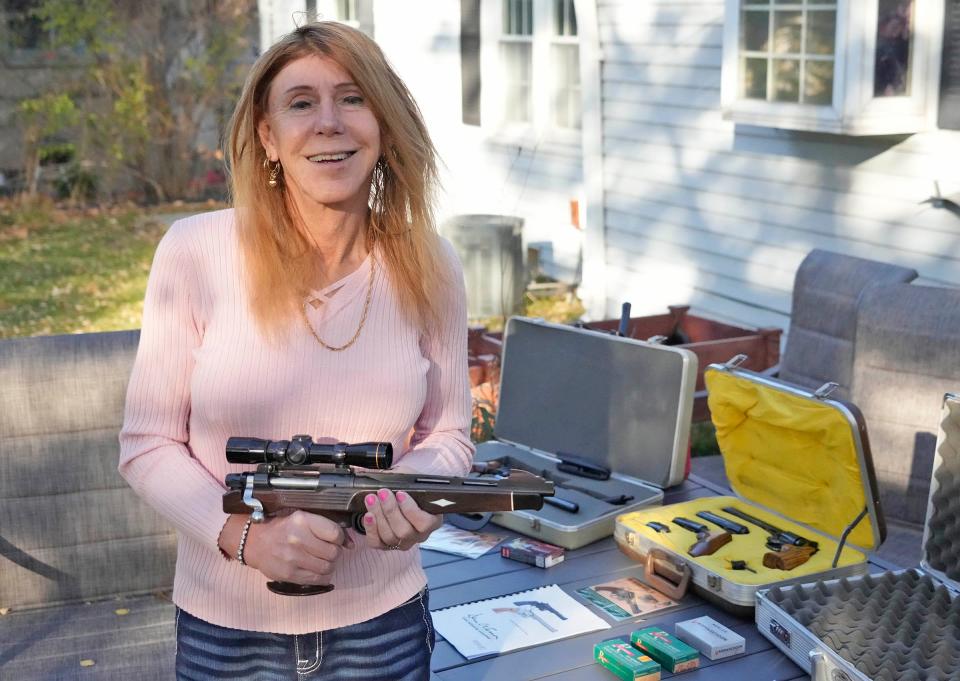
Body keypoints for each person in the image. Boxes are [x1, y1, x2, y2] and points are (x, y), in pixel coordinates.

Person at [119, 21, 474, 681]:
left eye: (354, 98)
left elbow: (449, 432)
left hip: (382, 628)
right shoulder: (195, 252)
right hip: (225, 634)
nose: (329, 123)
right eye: (302, 103)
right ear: (267, 136)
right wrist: (247, 538)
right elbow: (147, 444)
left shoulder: (432, 264)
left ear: (385, 124)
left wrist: (418, 493)